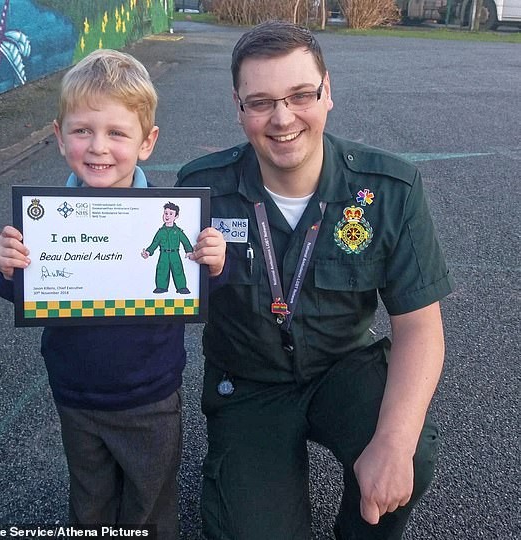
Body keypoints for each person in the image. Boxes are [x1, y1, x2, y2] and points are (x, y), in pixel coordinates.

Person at [176, 20, 454, 540]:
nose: (282, 118)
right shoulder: (200, 192)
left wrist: (392, 444)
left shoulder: (389, 189)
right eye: (259, 102)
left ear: (328, 93)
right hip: (249, 383)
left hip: (340, 370)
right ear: (239, 109)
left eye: (300, 94)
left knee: (408, 453)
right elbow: (141, 276)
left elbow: (420, 327)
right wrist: (56, 263)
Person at [0, 49, 225, 539]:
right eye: (82, 131)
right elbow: (17, 290)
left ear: (147, 142)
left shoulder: (171, 215)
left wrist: (213, 262)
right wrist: (9, 266)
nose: (98, 147)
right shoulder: (44, 222)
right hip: (75, 391)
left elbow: (200, 287)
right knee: (90, 498)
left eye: (117, 133)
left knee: (150, 502)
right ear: (59, 138)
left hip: (151, 394)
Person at [141, 202, 194, 294]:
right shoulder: (161, 232)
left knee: (178, 269)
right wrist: (148, 252)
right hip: (163, 254)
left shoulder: (178, 231)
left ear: (176, 216)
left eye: (171, 214)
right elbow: (154, 243)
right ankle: (161, 287)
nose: (167, 216)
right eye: (166, 213)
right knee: (162, 270)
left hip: (175, 254)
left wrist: (189, 251)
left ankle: (181, 287)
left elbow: (185, 241)